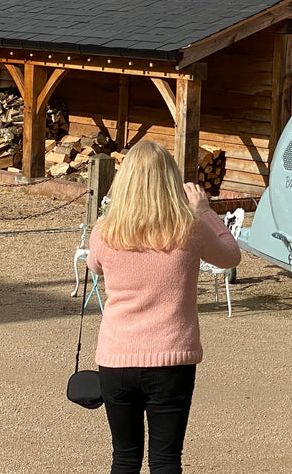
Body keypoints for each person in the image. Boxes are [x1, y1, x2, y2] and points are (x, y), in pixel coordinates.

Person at [87, 140, 241, 474]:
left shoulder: (106, 230)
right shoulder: (191, 228)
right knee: (166, 460)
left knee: (124, 459)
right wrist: (206, 211)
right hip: (172, 358)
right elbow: (231, 255)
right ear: (171, 181)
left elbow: (94, 267)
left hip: (117, 359)